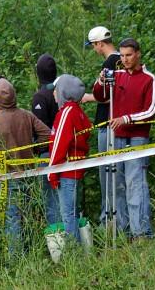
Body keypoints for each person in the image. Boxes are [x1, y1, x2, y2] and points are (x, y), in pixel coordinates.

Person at [92, 38, 155, 239]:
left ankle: (141, 232)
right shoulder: (117, 75)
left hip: (137, 137)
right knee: (117, 184)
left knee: (135, 183)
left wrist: (126, 119)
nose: (125, 59)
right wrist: (101, 80)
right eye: (122, 55)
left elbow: (151, 110)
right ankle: (122, 230)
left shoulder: (149, 78)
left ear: (138, 54)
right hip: (116, 136)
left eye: (129, 55)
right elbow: (100, 96)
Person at [0, 78, 51, 254]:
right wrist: (34, 149)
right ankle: (30, 254)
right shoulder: (26, 115)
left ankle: (15, 260)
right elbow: (47, 134)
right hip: (28, 174)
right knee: (27, 216)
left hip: (6, 179)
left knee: (12, 220)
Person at [82, 26, 126, 228]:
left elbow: (107, 95)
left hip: (108, 124)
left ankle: (109, 220)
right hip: (117, 122)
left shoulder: (111, 62)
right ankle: (116, 219)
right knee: (116, 174)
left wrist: (88, 98)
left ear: (100, 44)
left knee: (107, 174)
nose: (94, 49)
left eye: (93, 46)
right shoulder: (122, 60)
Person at [47, 74, 91, 242]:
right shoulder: (78, 111)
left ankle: (73, 253)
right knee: (72, 211)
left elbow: (59, 144)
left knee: (68, 214)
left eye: (56, 90)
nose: (53, 94)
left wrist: (52, 171)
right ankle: (79, 249)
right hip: (75, 169)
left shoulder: (66, 112)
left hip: (65, 170)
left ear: (64, 91)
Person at [31, 54, 60, 226]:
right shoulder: (62, 91)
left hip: (47, 153)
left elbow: (38, 128)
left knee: (50, 200)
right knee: (65, 197)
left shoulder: (40, 97)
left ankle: (58, 240)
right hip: (65, 151)